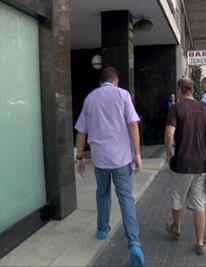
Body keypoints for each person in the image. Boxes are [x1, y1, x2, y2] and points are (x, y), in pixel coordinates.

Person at [74, 67, 145, 267]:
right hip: (121, 158)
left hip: (100, 159)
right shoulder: (123, 95)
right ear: (116, 81)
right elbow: (133, 124)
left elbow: (81, 132)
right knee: (126, 199)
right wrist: (137, 155)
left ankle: (102, 229)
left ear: (101, 82)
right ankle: (134, 243)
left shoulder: (90, 98)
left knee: (102, 193)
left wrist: (79, 157)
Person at [165, 78, 206, 255]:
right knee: (199, 204)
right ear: (193, 90)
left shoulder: (176, 108)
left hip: (181, 163)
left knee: (177, 198)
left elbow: (169, 133)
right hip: (201, 165)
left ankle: (177, 228)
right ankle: (200, 242)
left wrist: (169, 153)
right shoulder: (204, 109)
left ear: (180, 90)